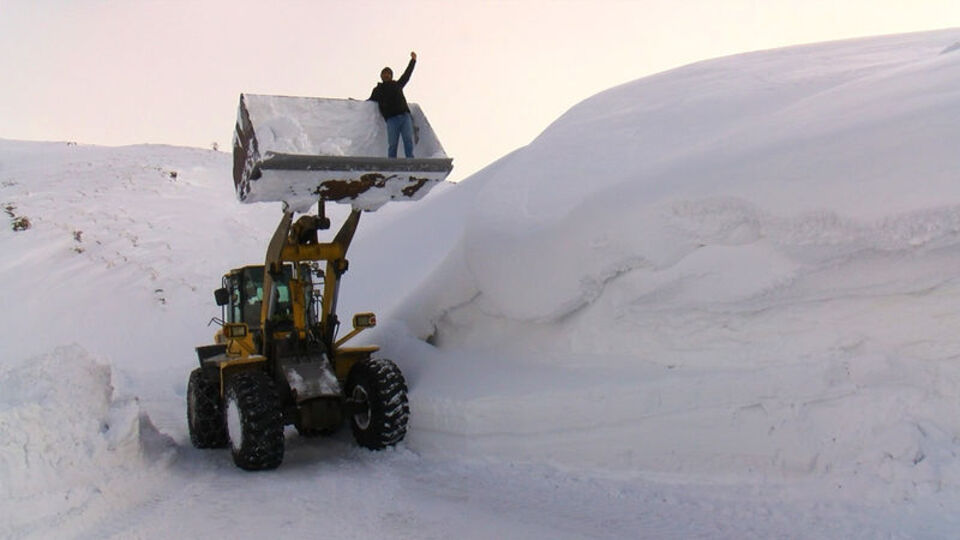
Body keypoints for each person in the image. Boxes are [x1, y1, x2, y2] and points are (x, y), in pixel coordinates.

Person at [369, 51, 417, 158]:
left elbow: (407, 75)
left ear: (391, 75)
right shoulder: (378, 90)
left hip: (405, 117)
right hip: (391, 120)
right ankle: (392, 163)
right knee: (392, 144)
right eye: (384, 73)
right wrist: (354, 104)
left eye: (388, 73)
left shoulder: (397, 85)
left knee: (408, 140)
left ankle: (410, 161)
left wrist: (413, 61)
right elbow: (370, 101)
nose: (386, 75)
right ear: (381, 76)